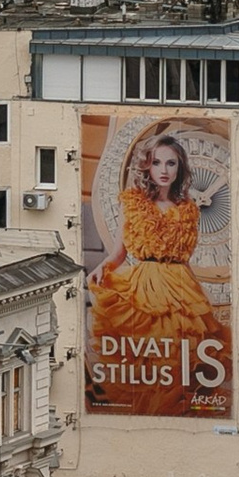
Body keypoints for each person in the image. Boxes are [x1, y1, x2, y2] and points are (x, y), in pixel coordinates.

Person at [88, 128, 221, 416]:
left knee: (179, 359)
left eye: (171, 163)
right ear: (147, 165)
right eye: (157, 162)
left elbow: (184, 259)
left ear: (180, 168)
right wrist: (101, 268)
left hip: (180, 288)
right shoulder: (134, 203)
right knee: (149, 359)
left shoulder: (188, 209)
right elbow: (118, 253)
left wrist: (198, 295)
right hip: (144, 287)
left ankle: (171, 414)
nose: (164, 170)